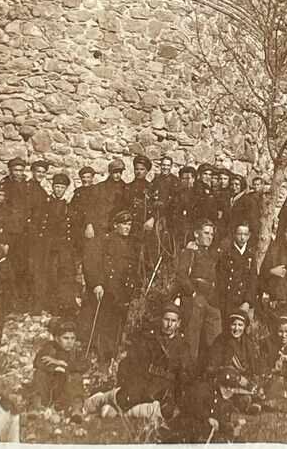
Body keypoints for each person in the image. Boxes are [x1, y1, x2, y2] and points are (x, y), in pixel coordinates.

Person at [101, 303, 194, 424]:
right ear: (161, 320)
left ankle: (129, 415)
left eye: (173, 321)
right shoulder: (149, 340)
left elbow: (185, 375)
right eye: (166, 319)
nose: (169, 324)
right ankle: (104, 402)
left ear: (179, 323)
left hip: (166, 388)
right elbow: (133, 363)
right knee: (125, 399)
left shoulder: (182, 346)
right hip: (146, 382)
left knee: (166, 411)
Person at [81, 209, 137, 364]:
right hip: (106, 289)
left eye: (129, 224)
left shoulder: (130, 244)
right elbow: (91, 263)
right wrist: (97, 284)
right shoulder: (103, 241)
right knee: (104, 322)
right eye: (123, 224)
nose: (127, 227)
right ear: (115, 225)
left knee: (118, 323)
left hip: (122, 292)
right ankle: (101, 356)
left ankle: (112, 355)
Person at [173, 219, 222, 365]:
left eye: (211, 234)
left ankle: (213, 370)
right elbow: (181, 275)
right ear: (196, 234)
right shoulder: (189, 252)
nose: (209, 237)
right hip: (194, 298)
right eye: (206, 233)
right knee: (191, 340)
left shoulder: (212, 255)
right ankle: (187, 373)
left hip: (210, 299)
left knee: (215, 336)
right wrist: (193, 293)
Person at [32, 172, 79, 315]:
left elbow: (75, 226)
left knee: (64, 275)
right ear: (53, 187)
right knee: (48, 274)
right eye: (56, 187)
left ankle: (63, 305)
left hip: (64, 246)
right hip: (48, 246)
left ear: (65, 189)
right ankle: (46, 305)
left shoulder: (69, 205)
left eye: (61, 187)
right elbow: (37, 222)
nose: (58, 190)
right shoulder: (46, 204)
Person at [0, 157, 33, 311]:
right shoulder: (4, 186)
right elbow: (2, 213)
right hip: (10, 233)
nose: (18, 173)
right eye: (15, 170)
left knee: (24, 266)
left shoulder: (28, 186)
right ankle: (8, 301)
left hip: (25, 233)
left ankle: (22, 300)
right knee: (8, 266)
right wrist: (4, 238)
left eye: (21, 170)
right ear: (10, 171)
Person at [31, 317, 83, 410]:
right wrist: (54, 368)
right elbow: (38, 362)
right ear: (57, 339)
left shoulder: (76, 351)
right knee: (39, 373)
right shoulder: (50, 347)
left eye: (72, 338)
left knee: (76, 376)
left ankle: (76, 409)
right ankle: (37, 406)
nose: (69, 342)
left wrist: (62, 364)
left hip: (66, 389)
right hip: (51, 386)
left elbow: (84, 365)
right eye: (65, 338)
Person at [216, 221, 257, 322]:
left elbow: (253, 281)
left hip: (243, 302)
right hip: (227, 302)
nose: (242, 237)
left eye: (245, 234)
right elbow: (220, 280)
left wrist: (247, 302)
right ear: (234, 234)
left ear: (249, 236)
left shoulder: (250, 256)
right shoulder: (226, 255)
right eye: (239, 234)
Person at [170, 165, 198, 250]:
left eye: (188, 178)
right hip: (178, 231)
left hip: (193, 232)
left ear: (193, 179)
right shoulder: (177, 194)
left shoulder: (199, 195)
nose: (186, 181)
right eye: (183, 179)